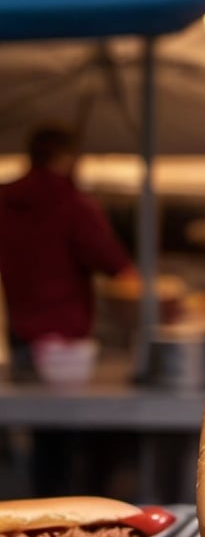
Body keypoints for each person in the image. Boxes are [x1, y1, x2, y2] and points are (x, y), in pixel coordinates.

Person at [0, 123, 136, 380]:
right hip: (64, 328)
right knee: (63, 410)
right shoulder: (71, 202)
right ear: (65, 157)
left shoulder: (6, 199)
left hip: (20, 323)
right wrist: (132, 277)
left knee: (25, 404)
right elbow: (108, 257)